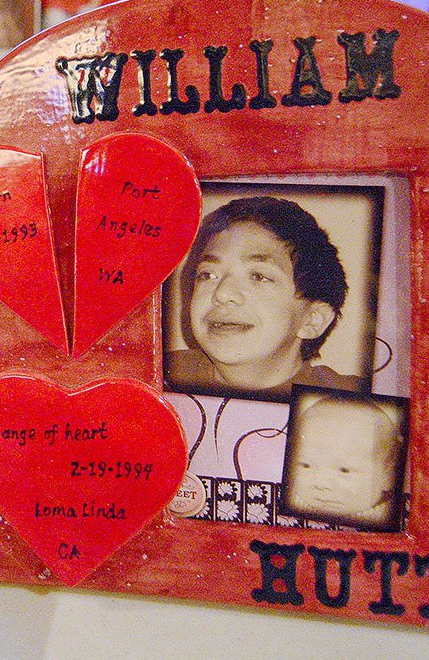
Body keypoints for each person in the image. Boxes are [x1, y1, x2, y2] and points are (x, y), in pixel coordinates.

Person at [164, 195, 368, 400]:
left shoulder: (354, 401)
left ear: (312, 320)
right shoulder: (157, 372)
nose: (223, 293)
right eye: (208, 275)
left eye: (258, 276)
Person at [281, 393, 405, 530]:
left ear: (388, 476)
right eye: (305, 465)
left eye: (344, 470)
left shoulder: (395, 523)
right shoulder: (286, 503)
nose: (321, 483)